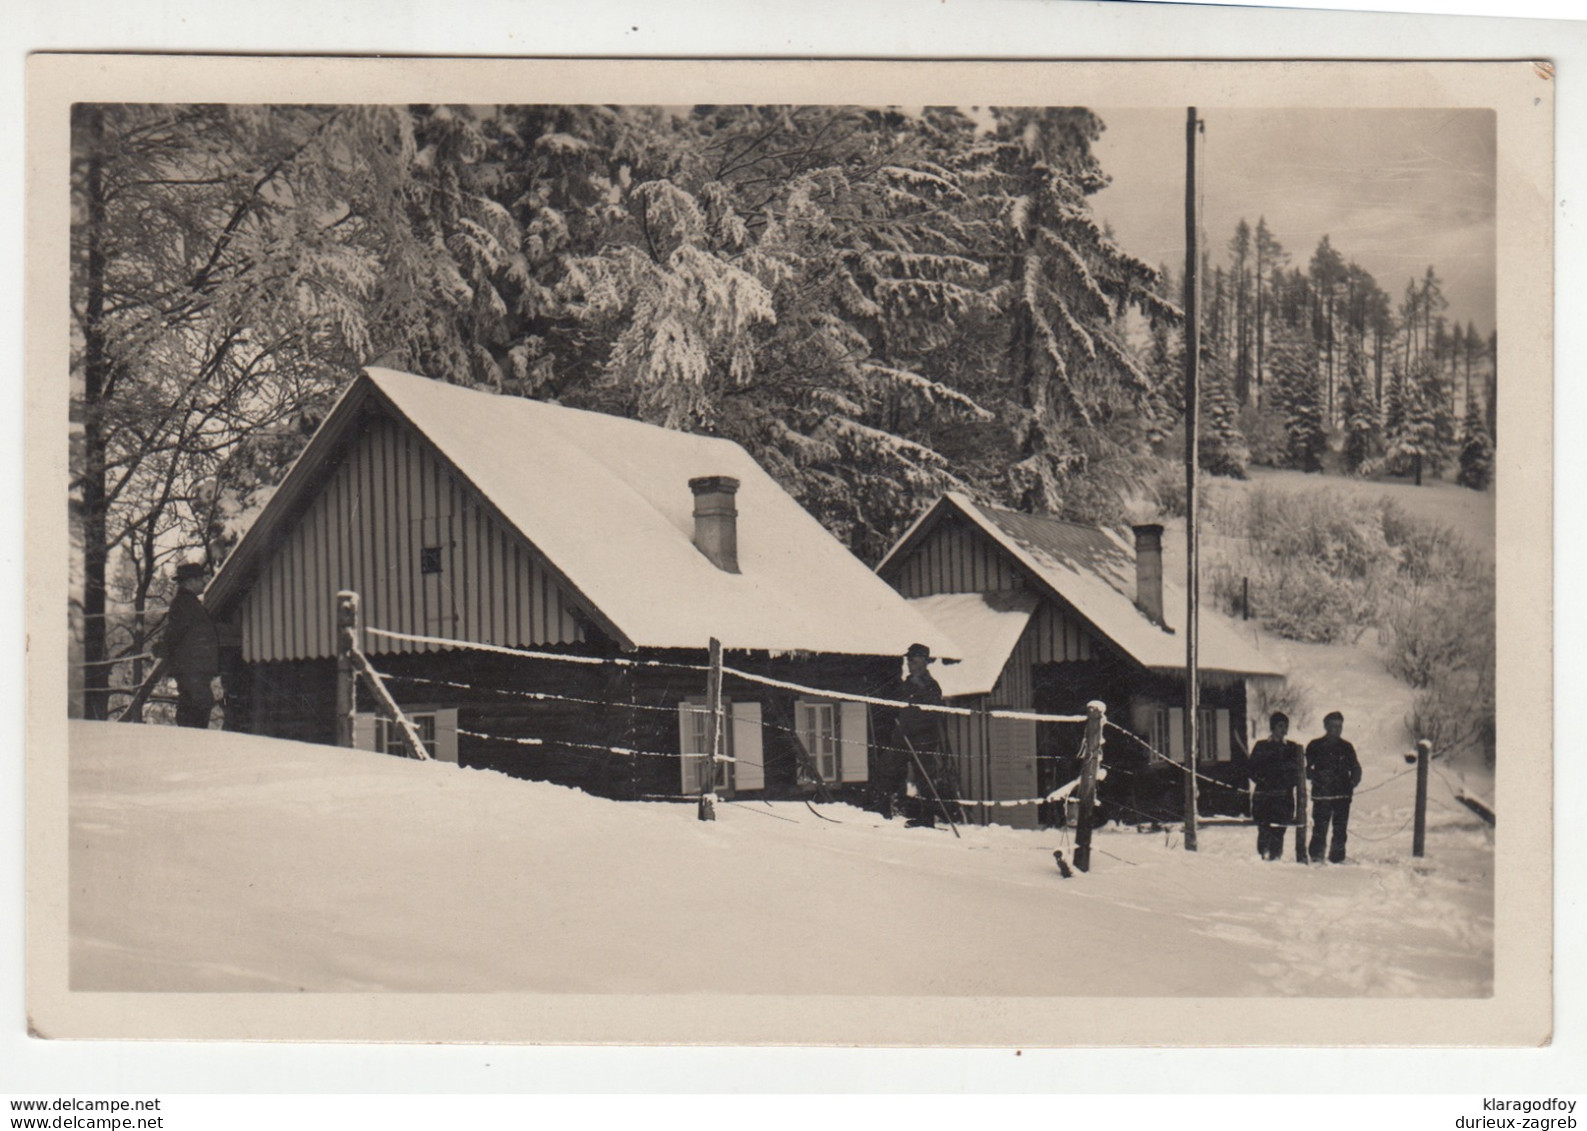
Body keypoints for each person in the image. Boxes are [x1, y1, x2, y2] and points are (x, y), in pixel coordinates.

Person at [885, 643, 950, 828]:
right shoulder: (907, 684)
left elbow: (931, 715)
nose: (909, 663)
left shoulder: (931, 686)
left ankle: (927, 819)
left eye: (912, 659)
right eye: (908, 660)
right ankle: (890, 811)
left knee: (925, 780)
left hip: (923, 740)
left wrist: (912, 729)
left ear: (923, 661)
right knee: (889, 770)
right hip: (903, 738)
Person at [158, 561, 219, 729]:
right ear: (190, 581)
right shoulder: (184, 604)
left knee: (197, 705)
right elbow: (174, 633)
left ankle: (192, 741)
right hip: (190, 667)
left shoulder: (190, 603)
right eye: (200, 579)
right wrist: (162, 649)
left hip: (195, 667)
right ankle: (190, 742)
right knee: (197, 706)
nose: (203, 582)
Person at [1305, 710, 1362, 864]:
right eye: (1333, 726)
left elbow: (1356, 768)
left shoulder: (1347, 747)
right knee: (1319, 828)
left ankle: (1337, 857)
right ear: (1326, 726)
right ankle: (1317, 856)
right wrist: (1316, 777)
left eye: (1339, 726)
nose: (1337, 729)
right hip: (1322, 796)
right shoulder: (1315, 745)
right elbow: (1307, 769)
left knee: (1340, 829)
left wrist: (1351, 783)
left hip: (1342, 796)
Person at [1246, 712, 1304, 862]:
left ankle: (1276, 857)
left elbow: (1297, 772)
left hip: (1283, 798)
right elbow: (1251, 770)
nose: (1283, 729)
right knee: (1264, 828)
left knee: (1279, 829)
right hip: (1264, 797)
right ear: (1273, 727)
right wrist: (1264, 780)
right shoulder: (1261, 746)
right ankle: (1263, 855)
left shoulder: (1292, 748)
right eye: (1280, 726)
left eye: (1286, 726)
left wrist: (1287, 781)